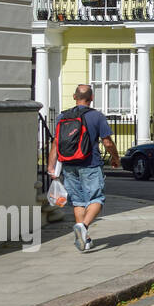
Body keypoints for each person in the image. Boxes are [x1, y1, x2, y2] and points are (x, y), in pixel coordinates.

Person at [47, 83, 121, 252]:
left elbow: (56, 143)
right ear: (92, 98)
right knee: (96, 199)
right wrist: (115, 158)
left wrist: (51, 166)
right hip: (90, 164)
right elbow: (107, 142)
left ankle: (84, 240)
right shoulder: (97, 117)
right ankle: (83, 226)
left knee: (78, 201)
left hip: (68, 165)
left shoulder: (62, 117)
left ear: (74, 97)